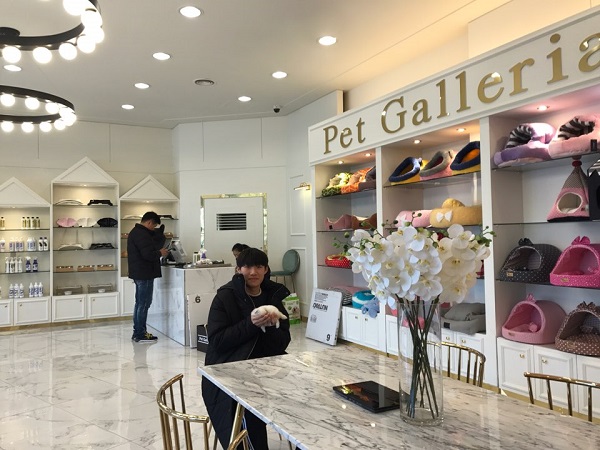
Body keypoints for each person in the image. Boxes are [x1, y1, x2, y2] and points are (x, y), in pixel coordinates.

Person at [202, 248, 291, 450]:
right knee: (248, 405)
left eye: (259, 266)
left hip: (265, 367)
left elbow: (283, 342)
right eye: (247, 267)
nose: (253, 272)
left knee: (302, 397)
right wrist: (251, 324)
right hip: (228, 367)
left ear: (266, 269)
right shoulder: (225, 297)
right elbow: (217, 341)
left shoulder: (273, 297)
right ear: (238, 269)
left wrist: (271, 327)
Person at [127, 211, 169, 343]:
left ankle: (138, 332)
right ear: (149, 222)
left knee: (140, 303)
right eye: (154, 225)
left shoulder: (137, 232)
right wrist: (160, 252)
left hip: (140, 273)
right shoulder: (141, 234)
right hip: (144, 273)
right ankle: (140, 333)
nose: (154, 228)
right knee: (144, 304)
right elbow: (148, 254)